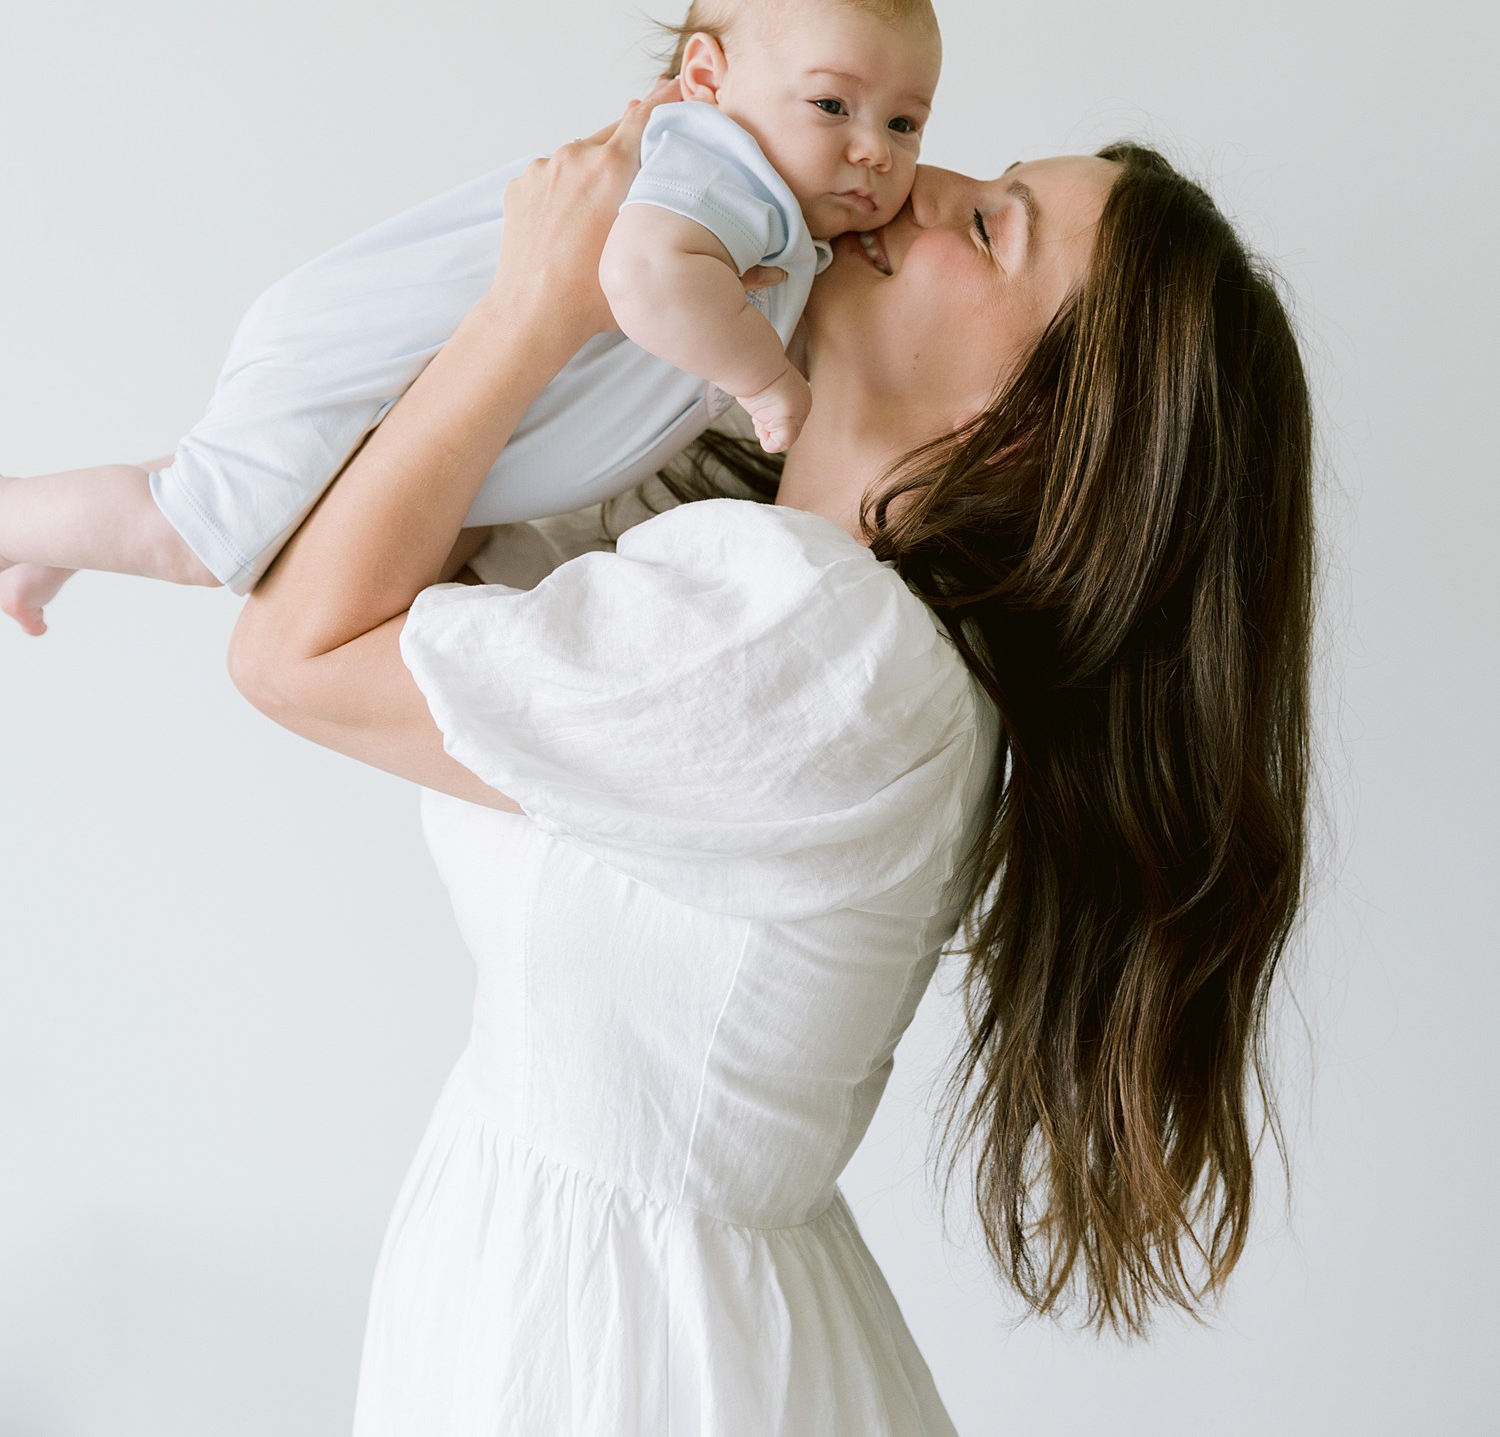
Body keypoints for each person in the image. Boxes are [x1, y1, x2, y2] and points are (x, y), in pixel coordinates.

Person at [227, 102, 1315, 1433]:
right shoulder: (751, 573)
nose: (917, 183)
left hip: (629, 1358)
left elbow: (296, 647)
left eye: (989, 222)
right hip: (571, 1296)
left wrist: (534, 301)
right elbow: (387, 544)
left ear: (1026, 432)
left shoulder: (820, 644)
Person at [0, 0, 939, 634]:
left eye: (904, 122)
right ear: (705, 77)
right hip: (374, 340)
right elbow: (652, 279)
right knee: (202, 537)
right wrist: (768, 384)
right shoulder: (718, 169)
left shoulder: (767, 212)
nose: (875, 152)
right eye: (832, 104)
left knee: (276, 507)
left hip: (385, 369)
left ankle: (55, 541)